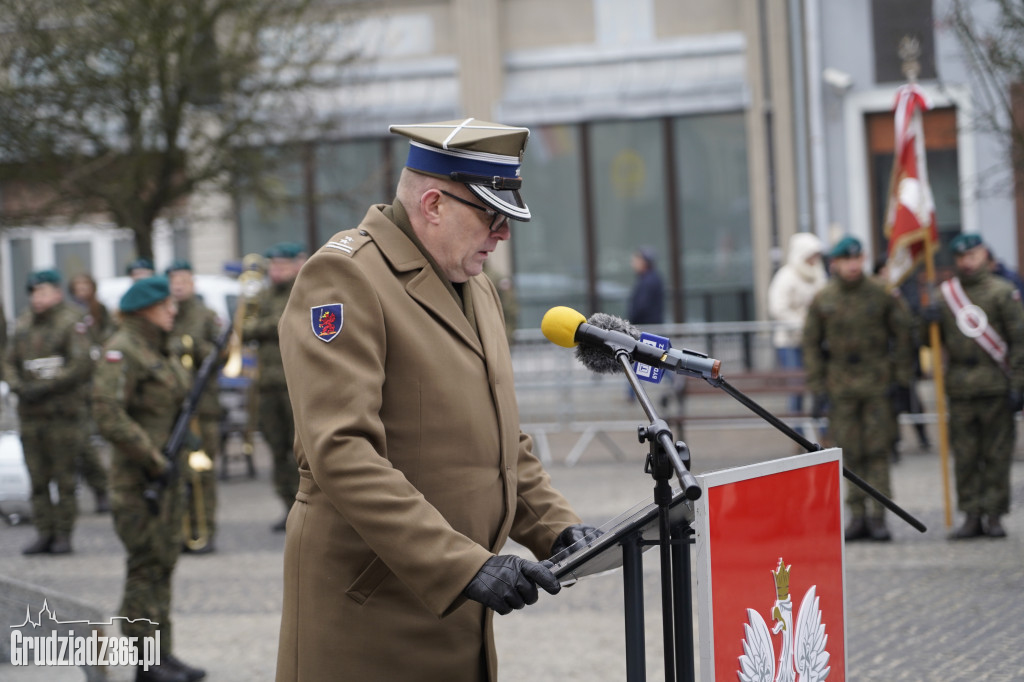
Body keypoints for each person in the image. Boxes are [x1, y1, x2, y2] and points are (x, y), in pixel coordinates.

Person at [275, 118, 595, 682]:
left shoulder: (476, 287)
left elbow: (500, 440)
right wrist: (464, 565)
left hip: (455, 603)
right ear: (433, 204)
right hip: (372, 614)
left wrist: (557, 527)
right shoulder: (344, 278)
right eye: (492, 215)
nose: (502, 235)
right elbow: (342, 452)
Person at [92, 276, 206, 682]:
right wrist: (153, 458)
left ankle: (163, 653)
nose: (173, 310)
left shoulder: (160, 348)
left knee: (163, 564)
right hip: (139, 481)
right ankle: (144, 660)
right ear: (145, 309)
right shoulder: (122, 350)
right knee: (144, 568)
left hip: (166, 475)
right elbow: (108, 416)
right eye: (165, 305)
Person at [803, 236, 913, 542]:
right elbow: (811, 343)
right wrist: (817, 388)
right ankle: (857, 515)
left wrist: (903, 382)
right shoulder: (823, 298)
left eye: (857, 259)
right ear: (835, 263)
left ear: (863, 259)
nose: (852, 265)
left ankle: (878, 516)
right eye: (846, 260)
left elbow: (902, 334)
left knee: (877, 450)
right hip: (840, 385)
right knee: (848, 452)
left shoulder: (881, 293)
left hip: (877, 382)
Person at [930, 234, 1024, 539]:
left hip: (996, 386)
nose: (966, 262)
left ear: (983, 254)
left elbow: (1019, 341)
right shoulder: (945, 297)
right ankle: (971, 514)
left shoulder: (1002, 292)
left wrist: (1019, 384)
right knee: (966, 455)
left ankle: (995, 515)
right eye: (960, 257)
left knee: (996, 455)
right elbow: (926, 341)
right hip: (960, 389)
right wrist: (923, 321)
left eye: (971, 255)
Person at [5, 269, 93, 555]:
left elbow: (80, 364)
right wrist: (19, 386)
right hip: (31, 414)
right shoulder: (23, 323)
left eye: (43, 292)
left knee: (65, 478)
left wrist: (47, 386)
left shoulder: (71, 322)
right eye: (33, 293)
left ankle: (64, 534)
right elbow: (8, 361)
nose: (37, 298)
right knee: (37, 478)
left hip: (62, 414)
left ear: (56, 293)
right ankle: (44, 531)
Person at [242, 241, 305, 532]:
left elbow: (285, 323)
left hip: (295, 384)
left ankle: (305, 508)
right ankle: (287, 504)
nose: (276, 271)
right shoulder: (265, 294)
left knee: (300, 451)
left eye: (282, 265)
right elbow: (245, 328)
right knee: (276, 447)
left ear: (298, 264)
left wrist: (261, 326)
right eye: (273, 266)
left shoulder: (304, 289)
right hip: (266, 383)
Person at [166, 259, 225, 553]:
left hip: (204, 407)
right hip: (172, 408)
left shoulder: (206, 316)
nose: (178, 285)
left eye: (183, 280)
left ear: (192, 283)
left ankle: (206, 530)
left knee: (203, 471)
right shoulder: (165, 316)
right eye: (173, 280)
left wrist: (192, 347)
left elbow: (221, 355)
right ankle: (181, 531)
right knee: (178, 474)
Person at [767, 232, 826, 420]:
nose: (815, 259)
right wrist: (802, 324)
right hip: (790, 342)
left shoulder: (819, 274)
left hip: (814, 341)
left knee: (819, 386)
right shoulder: (786, 276)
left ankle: (824, 432)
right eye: (811, 255)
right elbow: (778, 307)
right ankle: (798, 432)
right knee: (796, 389)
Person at [69, 272, 115, 513]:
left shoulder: (101, 311)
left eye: (85, 285)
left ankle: (101, 488)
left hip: (95, 379)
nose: (82, 290)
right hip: (75, 386)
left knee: (87, 443)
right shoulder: (69, 313)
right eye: (78, 285)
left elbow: (110, 335)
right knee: (81, 443)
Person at [627, 246, 664, 325]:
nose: (633, 264)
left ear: (643, 262)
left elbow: (641, 307)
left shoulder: (648, 281)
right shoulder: (650, 278)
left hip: (647, 328)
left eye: (635, 261)